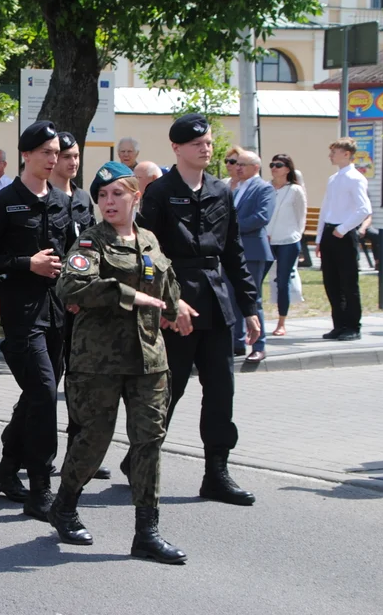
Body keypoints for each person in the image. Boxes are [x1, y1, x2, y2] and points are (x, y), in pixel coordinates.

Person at [51, 161, 186, 564]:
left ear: (135, 196)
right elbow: (70, 286)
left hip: (149, 358)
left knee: (148, 442)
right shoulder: (91, 243)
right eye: (103, 196)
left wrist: (178, 306)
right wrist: (129, 295)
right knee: (94, 440)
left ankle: (147, 532)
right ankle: (65, 505)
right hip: (99, 361)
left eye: (118, 194)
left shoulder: (149, 240)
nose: (109, 202)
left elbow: (164, 284)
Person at [137, 113, 260, 506]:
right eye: (197, 144)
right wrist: (167, 303)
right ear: (176, 148)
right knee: (167, 392)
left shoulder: (221, 191)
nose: (206, 148)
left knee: (221, 389)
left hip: (216, 300)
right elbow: (147, 254)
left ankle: (216, 472)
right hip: (177, 305)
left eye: (208, 142)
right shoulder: (159, 192)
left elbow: (234, 251)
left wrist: (250, 307)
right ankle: (143, 461)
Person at [0, 121, 74, 520]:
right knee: (44, 391)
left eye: (57, 153)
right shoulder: (4, 202)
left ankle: (8, 467)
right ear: (26, 155)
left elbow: (71, 253)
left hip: (56, 312)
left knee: (37, 393)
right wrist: (24, 264)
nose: (53, 159)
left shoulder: (62, 202)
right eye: (45, 152)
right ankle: (41, 488)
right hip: (20, 314)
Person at [48, 132, 108, 480]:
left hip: (82, 304)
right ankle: (24, 441)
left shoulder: (83, 198)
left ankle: (79, 450)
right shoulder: (46, 198)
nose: (72, 162)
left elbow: (89, 249)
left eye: (75, 156)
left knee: (82, 380)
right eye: (66, 156)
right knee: (49, 380)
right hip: (53, 302)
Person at [317, 138, 371, 341]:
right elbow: (326, 209)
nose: (331, 155)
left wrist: (344, 228)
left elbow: (364, 208)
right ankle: (339, 324)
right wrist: (321, 237)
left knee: (348, 283)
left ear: (347, 154)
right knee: (332, 282)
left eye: (335, 152)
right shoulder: (334, 178)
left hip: (343, 234)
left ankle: (353, 326)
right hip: (331, 233)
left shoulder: (355, 178)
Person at [228, 151, 275, 363]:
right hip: (233, 251)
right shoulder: (235, 187)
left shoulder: (263, 188)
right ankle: (236, 343)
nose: (238, 168)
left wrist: (230, 228)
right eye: (237, 164)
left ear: (256, 167)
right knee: (231, 297)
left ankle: (259, 345)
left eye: (243, 165)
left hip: (253, 250)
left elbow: (261, 217)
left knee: (251, 298)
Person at [267, 153, 307, 336]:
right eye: (272, 164)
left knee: (282, 281)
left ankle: (281, 322)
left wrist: (296, 235)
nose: (274, 168)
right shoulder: (266, 188)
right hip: (266, 241)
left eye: (279, 165)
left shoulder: (295, 190)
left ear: (288, 169)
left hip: (288, 242)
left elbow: (301, 216)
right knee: (255, 280)